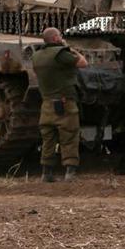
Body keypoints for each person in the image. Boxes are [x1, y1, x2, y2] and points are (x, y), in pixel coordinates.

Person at [32, 26, 88, 182]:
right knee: (69, 136)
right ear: (56, 39)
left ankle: (46, 173)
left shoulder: (36, 56)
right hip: (65, 103)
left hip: (47, 104)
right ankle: (70, 173)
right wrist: (70, 49)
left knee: (48, 140)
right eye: (60, 35)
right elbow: (83, 63)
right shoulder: (61, 54)